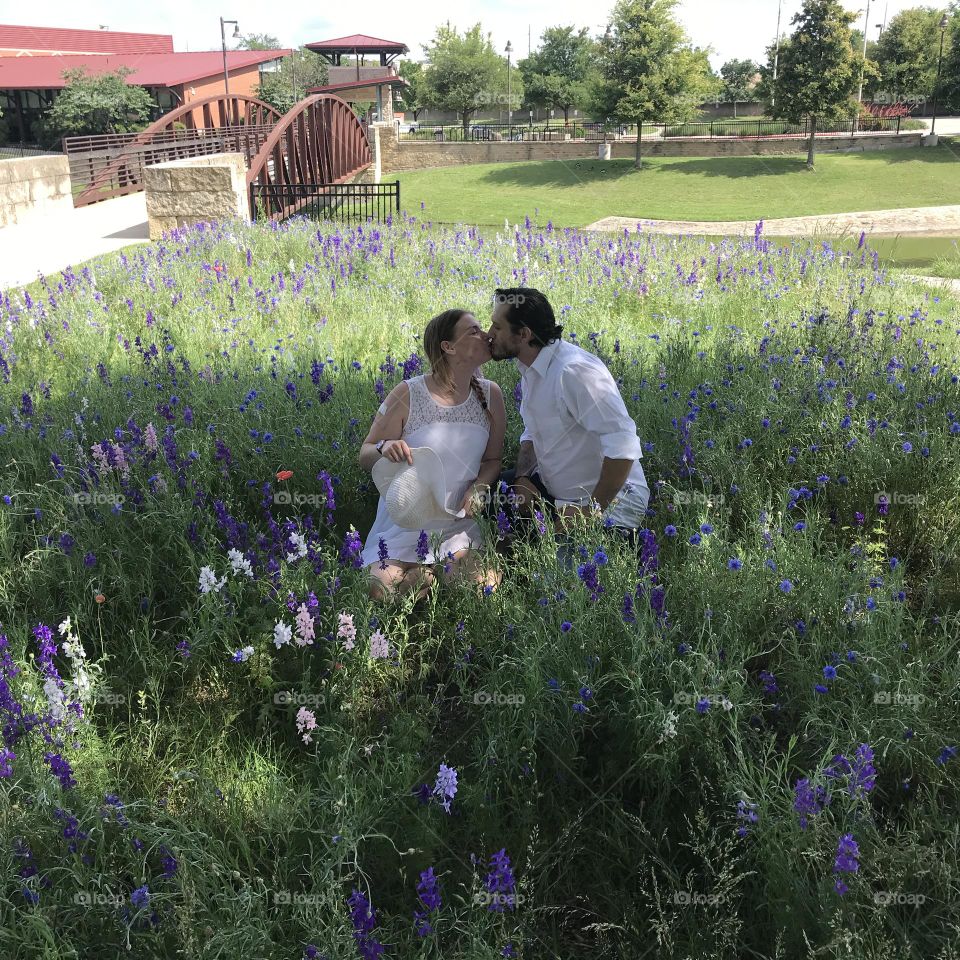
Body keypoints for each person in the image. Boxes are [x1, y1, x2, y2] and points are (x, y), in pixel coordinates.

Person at [358, 309, 506, 600]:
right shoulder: (408, 393)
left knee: (482, 589)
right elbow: (364, 453)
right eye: (473, 331)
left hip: (457, 524)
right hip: (406, 520)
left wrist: (480, 487)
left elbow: (492, 460)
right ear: (448, 347)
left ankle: (429, 575)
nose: (486, 335)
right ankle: (424, 573)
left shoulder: (491, 395)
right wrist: (384, 448)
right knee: (380, 590)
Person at [485, 287, 650, 540]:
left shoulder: (573, 372)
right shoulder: (532, 366)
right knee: (484, 499)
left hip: (609, 503)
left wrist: (590, 512)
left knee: (560, 576)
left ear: (525, 334)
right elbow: (532, 430)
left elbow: (623, 444)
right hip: (556, 492)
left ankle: (622, 543)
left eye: (497, 327)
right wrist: (523, 477)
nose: (489, 334)